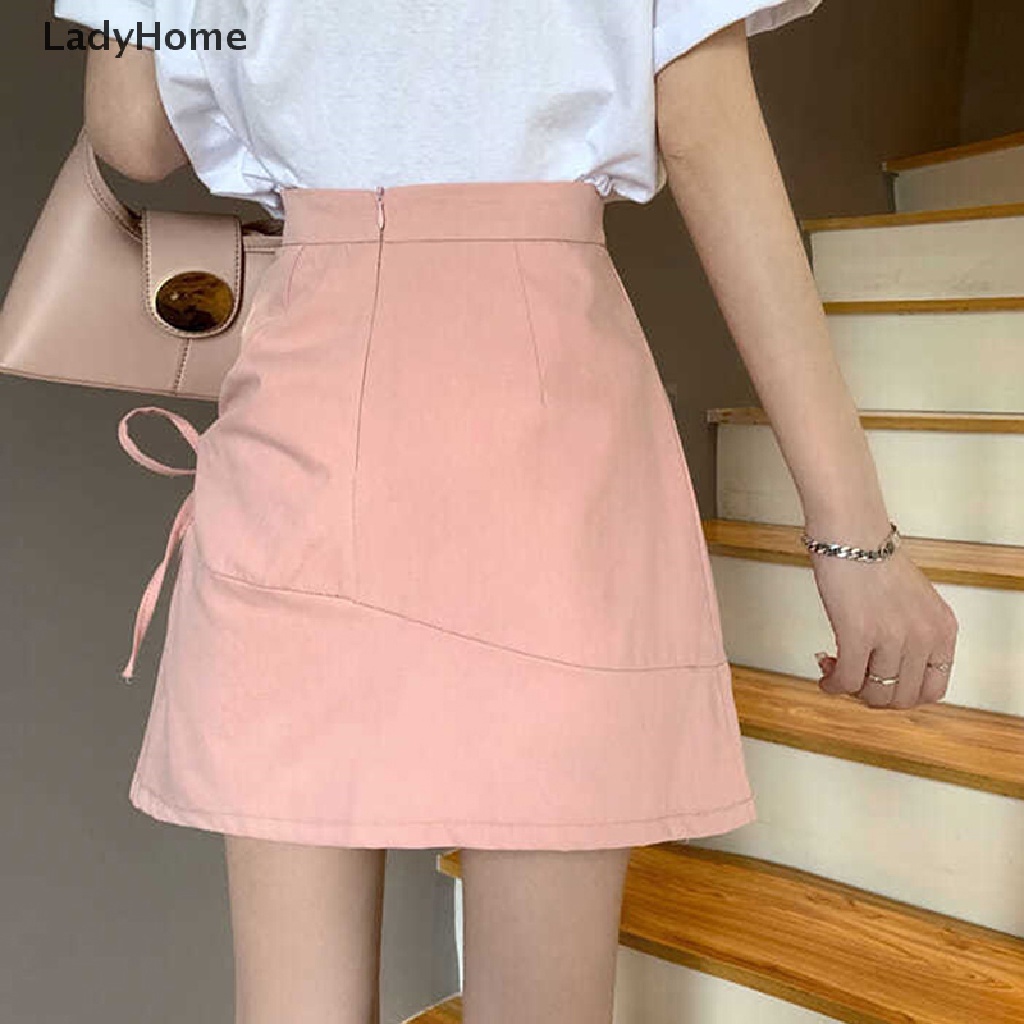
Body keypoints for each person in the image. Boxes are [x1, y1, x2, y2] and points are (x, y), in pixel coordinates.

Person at [55, 1, 959, 1022]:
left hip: (305, 412)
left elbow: (133, 133)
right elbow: (709, 145)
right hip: (546, 432)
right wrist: (854, 540)